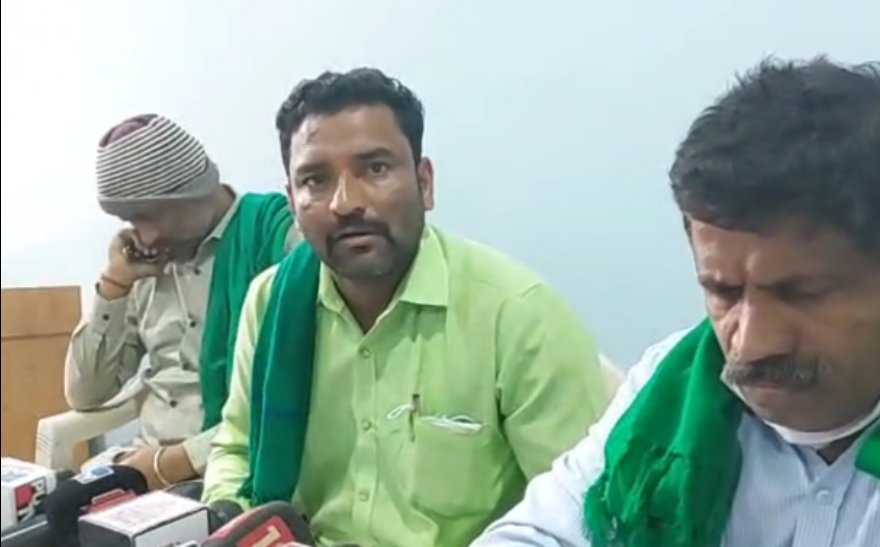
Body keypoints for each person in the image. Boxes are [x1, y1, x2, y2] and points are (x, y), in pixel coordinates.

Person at [474, 58, 880, 547]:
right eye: (723, 291)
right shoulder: (671, 385)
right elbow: (536, 534)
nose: (752, 343)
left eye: (804, 294)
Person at [200, 68, 614, 546]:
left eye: (375, 169)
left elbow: (584, 516)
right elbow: (237, 447)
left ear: (424, 183)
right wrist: (233, 521)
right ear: (292, 201)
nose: (345, 202)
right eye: (316, 180)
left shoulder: (517, 316)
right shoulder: (272, 302)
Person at [65, 114, 298, 490]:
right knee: (47, 512)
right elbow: (86, 395)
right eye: (130, 221)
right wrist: (114, 284)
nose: (144, 236)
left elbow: (298, 393)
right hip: (144, 465)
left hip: (228, 467)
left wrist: (170, 464)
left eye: (149, 216)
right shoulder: (144, 265)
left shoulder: (277, 240)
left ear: (197, 192)